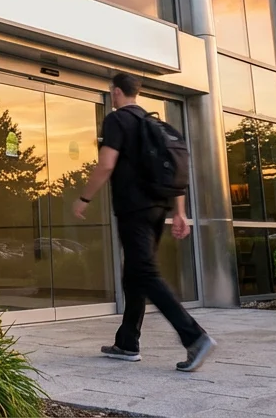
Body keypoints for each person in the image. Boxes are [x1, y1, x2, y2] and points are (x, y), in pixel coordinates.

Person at [72, 72, 216, 373]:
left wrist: (84, 198)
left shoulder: (117, 121)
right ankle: (127, 342)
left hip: (134, 209)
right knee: (134, 274)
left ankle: (195, 337)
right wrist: (179, 212)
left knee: (144, 272)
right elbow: (176, 174)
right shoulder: (156, 124)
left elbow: (106, 164)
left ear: (115, 93)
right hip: (158, 209)